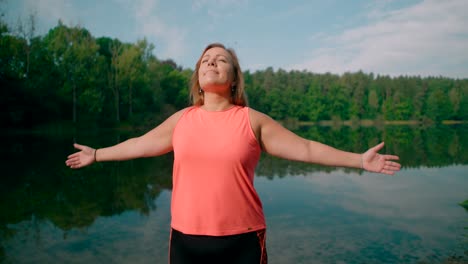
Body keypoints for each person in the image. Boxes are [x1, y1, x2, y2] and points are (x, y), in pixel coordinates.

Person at [66, 43, 401, 264]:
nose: (212, 61)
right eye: (205, 60)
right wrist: (98, 154)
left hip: (242, 241)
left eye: (221, 59)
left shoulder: (251, 120)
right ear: (198, 77)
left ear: (234, 79)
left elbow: (306, 148)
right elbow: (139, 143)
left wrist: (358, 159)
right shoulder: (181, 120)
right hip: (185, 240)